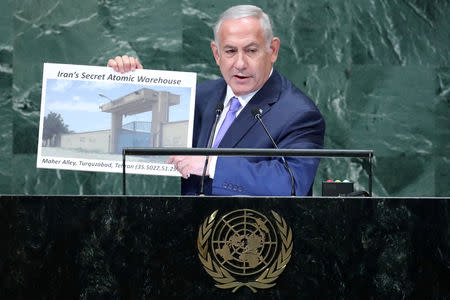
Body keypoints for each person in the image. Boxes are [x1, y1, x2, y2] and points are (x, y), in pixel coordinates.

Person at [107, 5, 325, 196]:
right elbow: (155, 142)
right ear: (216, 53)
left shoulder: (299, 114)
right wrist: (131, 82)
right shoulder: (201, 96)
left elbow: (290, 185)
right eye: (230, 51)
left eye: (251, 50)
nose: (240, 63)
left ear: (273, 50)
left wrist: (211, 165)